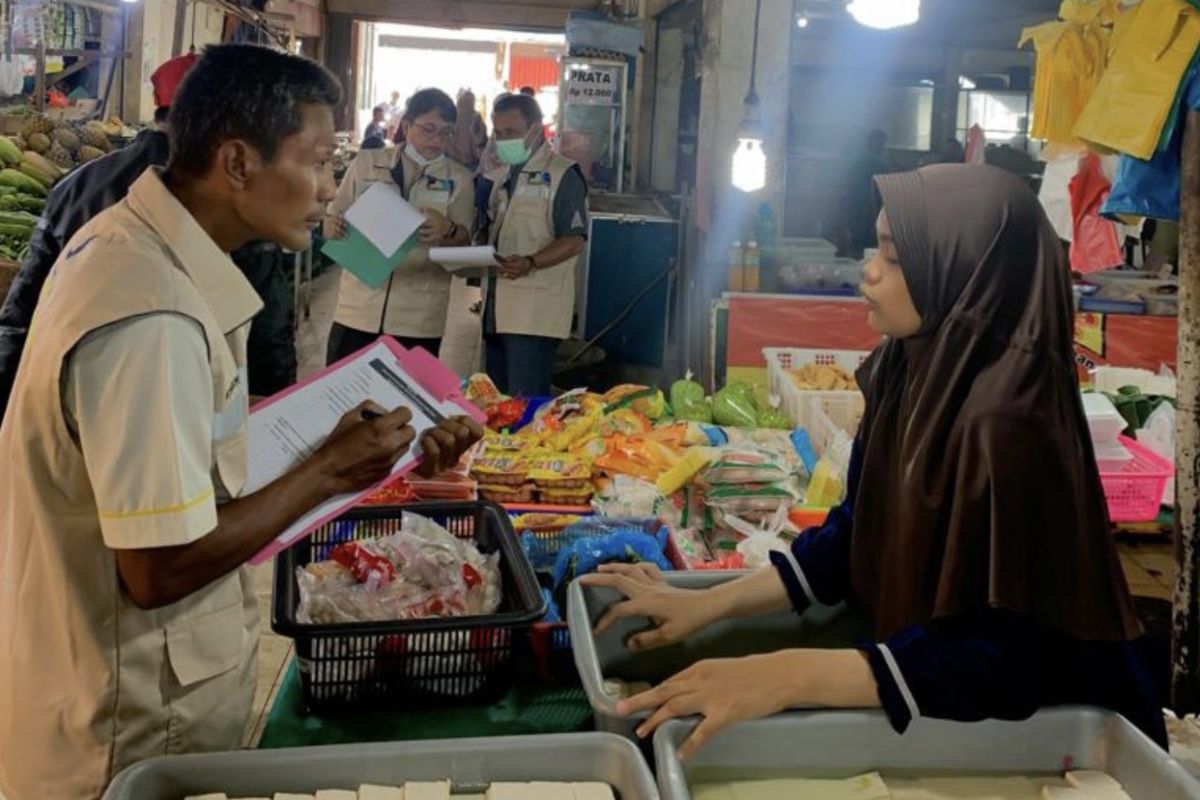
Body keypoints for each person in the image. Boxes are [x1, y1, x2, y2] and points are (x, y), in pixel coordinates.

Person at [0, 45, 482, 800]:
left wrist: (341, 450)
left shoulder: (145, 250)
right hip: (130, 724)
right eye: (319, 162)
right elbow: (156, 567)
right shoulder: (149, 313)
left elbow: (191, 467)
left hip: (138, 696)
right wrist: (327, 470)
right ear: (236, 163)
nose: (329, 190)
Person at [582, 165, 1165, 761]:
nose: (869, 269)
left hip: (1067, 741)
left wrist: (785, 675)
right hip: (951, 709)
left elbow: (1000, 661)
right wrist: (706, 603)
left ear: (965, 275)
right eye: (876, 247)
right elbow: (856, 537)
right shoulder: (904, 369)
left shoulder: (1010, 428)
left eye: (895, 256)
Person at [0, 52, 298, 419]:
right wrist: (279, 411)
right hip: (195, 410)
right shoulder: (238, 201)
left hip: (72, 403)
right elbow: (268, 329)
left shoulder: (74, 186)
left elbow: (23, 313)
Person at [324, 88, 475, 364]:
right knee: (343, 395)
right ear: (406, 125)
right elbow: (333, 213)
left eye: (446, 133)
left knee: (406, 400)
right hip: (357, 308)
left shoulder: (460, 179)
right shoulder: (367, 163)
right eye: (428, 129)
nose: (436, 140)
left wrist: (449, 230)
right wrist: (330, 226)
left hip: (419, 317)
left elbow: (465, 247)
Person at [477, 93, 588, 396]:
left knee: (526, 404)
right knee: (496, 403)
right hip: (495, 311)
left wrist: (531, 261)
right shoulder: (499, 178)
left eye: (511, 132)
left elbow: (574, 239)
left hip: (534, 315)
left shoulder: (562, 174)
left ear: (536, 129)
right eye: (498, 133)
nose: (502, 140)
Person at [842, 128, 889, 256]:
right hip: (865, 207)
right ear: (872, 143)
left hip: (857, 207)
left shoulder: (856, 159)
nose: (882, 148)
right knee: (866, 244)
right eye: (880, 144)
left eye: (883, 144)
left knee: (858, 243)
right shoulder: (876, 162)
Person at [448, 89, 487, 171]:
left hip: (472, 162)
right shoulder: (452, 118)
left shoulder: (476, 118)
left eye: (469, 101)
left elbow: (481, 140)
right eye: (464, 101)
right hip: (455, 162)